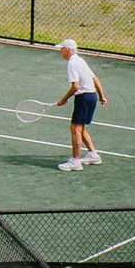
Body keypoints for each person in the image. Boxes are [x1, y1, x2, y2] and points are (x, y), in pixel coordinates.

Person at [52, 39, 108, 171]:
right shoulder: (81, 60)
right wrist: (101, 97)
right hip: (92, 96)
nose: (60, 51)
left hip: (83, 97)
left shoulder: (72, 64)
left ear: (68, 50)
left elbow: (75, 86)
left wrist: (63, 99)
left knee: (75, 128)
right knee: (80, 128)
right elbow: (95, 79)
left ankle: (75, 161)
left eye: (62, 49)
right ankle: (93, 155)